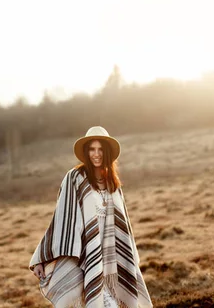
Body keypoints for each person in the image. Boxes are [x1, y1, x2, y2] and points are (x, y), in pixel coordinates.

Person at [29, 126, 152, 308]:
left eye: (101, 149)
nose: (96, 154)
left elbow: (123, 226)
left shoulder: (113, 184)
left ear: (107, 152)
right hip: (85, 257)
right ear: (86, 152)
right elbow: (61, 220)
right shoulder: (75, 178)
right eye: (92, 149)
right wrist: (41, 257)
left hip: (111, 259)